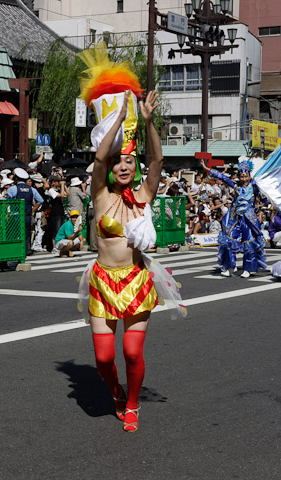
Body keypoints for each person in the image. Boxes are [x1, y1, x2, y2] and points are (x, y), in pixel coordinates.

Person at [76, 44, 186, 433]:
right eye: (118, 162)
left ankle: (134, 404)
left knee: (131, 349)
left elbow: (157, 161)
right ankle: (117, 391)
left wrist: (147, 122)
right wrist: (119, 118)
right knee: (104, 359)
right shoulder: (100, 194)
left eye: (129, 162)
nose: (124, 166)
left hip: (136, 280)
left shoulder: (143, 195)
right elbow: (99, 161)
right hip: (103, 281)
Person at [202, 159, 266, 278]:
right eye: (241, 176)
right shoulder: (236, 185)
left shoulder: (255, 186)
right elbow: (223, 177)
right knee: (228, 240)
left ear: (249, 176)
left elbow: (264, 199)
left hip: (249, 219)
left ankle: (248, 268)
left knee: (249, 243)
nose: (243, 179)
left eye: (245, 176)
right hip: (234, 217)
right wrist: (207, 169)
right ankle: (228, 266)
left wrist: (263, 196)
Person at [6, 167, 43, 255]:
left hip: (15, 215)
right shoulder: (32, 189)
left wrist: (6, 214)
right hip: (27, 215)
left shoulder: (13, 189)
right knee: (26, 234)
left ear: (16, 178)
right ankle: (26, 251)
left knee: (13, 234)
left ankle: (14, 251)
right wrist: (32, 210)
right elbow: (40, 201)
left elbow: (6, 202)